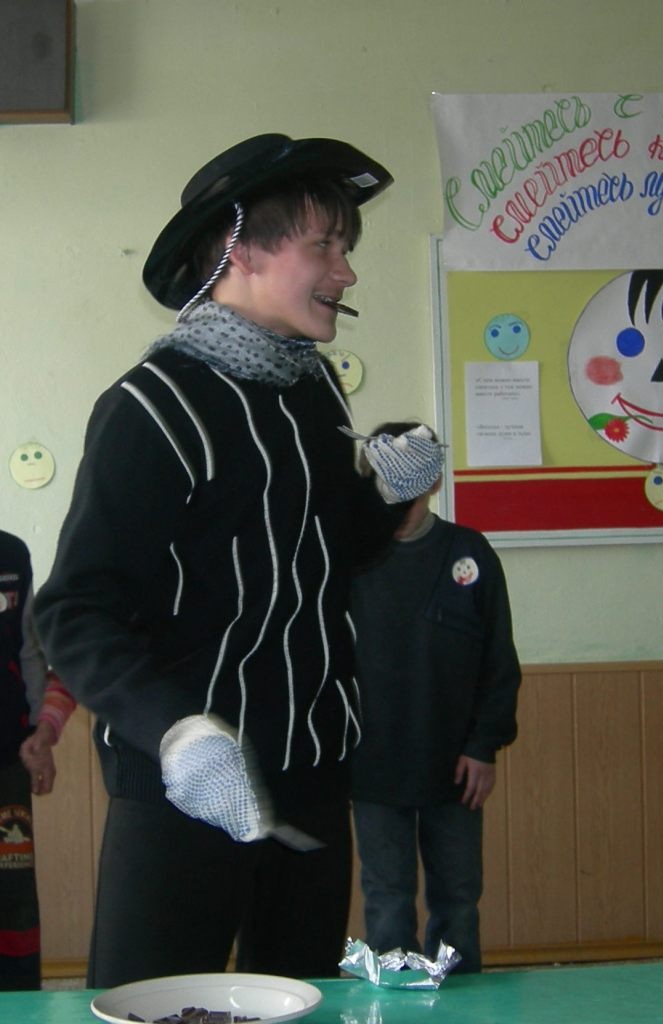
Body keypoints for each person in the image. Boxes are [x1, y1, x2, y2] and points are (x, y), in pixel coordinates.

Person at [35, 134, 442, 987]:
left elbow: (331, 553)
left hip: (312, 771)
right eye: (323, 246)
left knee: (300, 1000)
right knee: (149, 1005)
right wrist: (174, 732)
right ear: (240, 249)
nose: (346, 272)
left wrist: (386, 494)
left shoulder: (313, 388)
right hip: (185, 780)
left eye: (345, 247)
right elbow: (74, 609)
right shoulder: (151, 406)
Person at [350, 422, 521, 973]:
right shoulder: (350, 557)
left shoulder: (469, 552)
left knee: (458, 899)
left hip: (456, 765)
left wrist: (484, 746)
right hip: (373, 763)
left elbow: (498, 660)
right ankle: (395, 1000)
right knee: (387, 899)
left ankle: (461, 998)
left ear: (433, 483)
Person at [0, 530, 76, 990]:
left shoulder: (11, 555)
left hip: (7, 760)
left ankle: (18, 1001)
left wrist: (39, 738)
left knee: (13, 896)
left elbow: (30, 651)